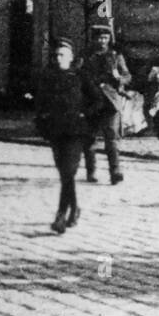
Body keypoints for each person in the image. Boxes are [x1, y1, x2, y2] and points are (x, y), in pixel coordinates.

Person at [32, 37, 101, 233]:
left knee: (68, 172)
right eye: (55, 55)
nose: (58, 58)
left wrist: (84, 114)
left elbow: (97, 100)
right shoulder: (47, 77)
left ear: (71, 57)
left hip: (75, 132)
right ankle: (75, 208)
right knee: (65, 175)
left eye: (62, 55)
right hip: (55, 132)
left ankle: (61, 215)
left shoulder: (80, 76)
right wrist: (42, 121)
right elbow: (39, 103)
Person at [79, 24, 133, 185]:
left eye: (105, 38)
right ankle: (91, 171)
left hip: (110, 102)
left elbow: (128, 76)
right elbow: (77, 75)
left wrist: (119, 78)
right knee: (90, 139)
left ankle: (115, 171)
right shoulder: (85, 56)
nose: (102, 41)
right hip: (91, 100)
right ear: (94, 39)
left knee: (112, 139)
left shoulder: (116, 56)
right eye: (99, 38)